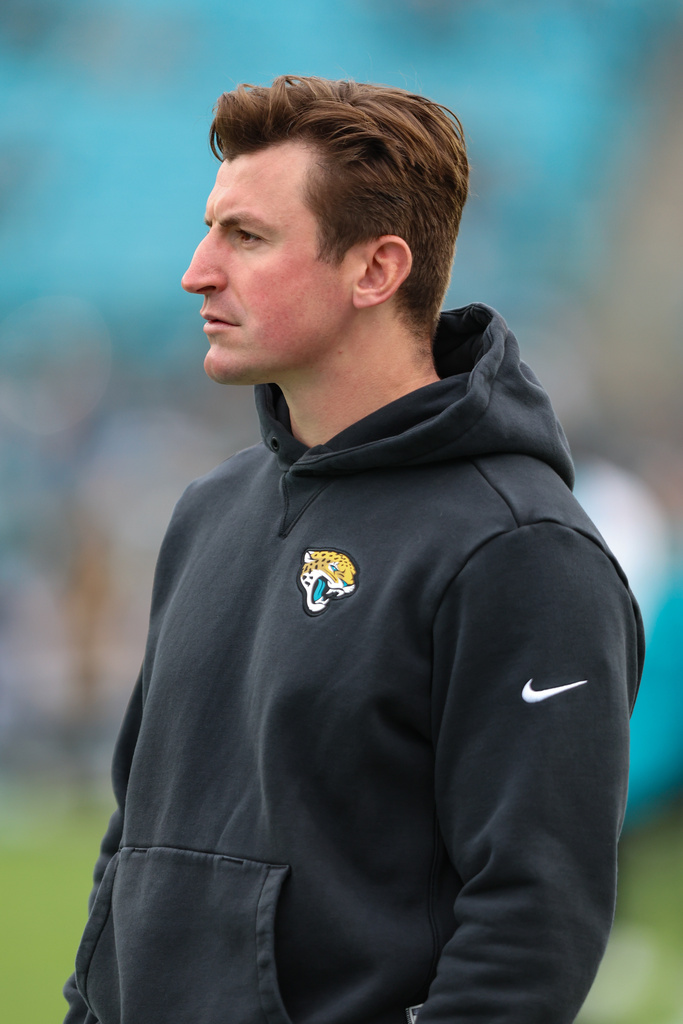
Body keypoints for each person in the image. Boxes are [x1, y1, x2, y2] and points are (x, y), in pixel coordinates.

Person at [64, 76, 643, 1024]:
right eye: (211, 232)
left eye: (247, 237)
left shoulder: (521, 550)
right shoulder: (210, 510)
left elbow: (531, 926)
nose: (198, 271)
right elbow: (133, 846)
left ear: (375, 270)